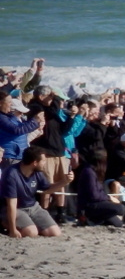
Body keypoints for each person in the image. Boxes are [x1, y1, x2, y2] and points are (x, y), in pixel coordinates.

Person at [27, 85, 76, 221]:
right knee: (47, 184)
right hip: (45, 152)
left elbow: (63, 129)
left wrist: (72, 116)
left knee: (62, 183)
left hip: (59, 151)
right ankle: (45, 212)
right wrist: (55, 98)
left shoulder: (52, 113)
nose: (53, 100)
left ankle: (61, 213)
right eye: (50, 97)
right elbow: (51, 110)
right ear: (41, 97)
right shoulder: (36, 108)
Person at [1, 146, 73, 238]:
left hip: (33, 207)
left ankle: (31, 224)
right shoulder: (11, 174)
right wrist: (13, 229)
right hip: (17, 208)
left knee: (55, 233)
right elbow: (11, 204)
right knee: (31, 233)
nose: (44, 163)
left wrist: (65, 181)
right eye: (43, 161)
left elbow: (47, 189)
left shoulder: (37, 172)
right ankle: (5, 223)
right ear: (35, 163)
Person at [74, 149, 125, 227]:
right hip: (88, 206)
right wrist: (109, 198)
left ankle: (95, 220)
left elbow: (99, 192)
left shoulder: (94, 172)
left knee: (118, 223)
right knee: (120, 208)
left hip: (96, 204)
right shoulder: (89, 172)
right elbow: (94, 196)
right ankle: (87, 218)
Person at [0, 91, 42, 172]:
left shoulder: (7, 116)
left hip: (16, 156)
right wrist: (35, 121)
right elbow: (17, 130)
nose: (11, 104)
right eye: (9, 102)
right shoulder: (1, 118)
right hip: (9, 156)